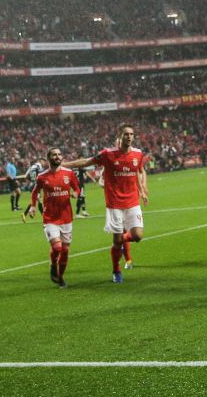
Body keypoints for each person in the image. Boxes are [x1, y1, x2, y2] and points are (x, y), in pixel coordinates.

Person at [62, 124, 148, 283]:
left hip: (132, 201)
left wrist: (143, 189)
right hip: (115, 203)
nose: (129, 137)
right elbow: (86, 162)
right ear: (120, 136)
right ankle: (116, 270)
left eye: (131, 134)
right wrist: (64, 165)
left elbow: (138, 171)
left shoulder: (138, 154)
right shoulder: (108, 154)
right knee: (116, 243)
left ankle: (121, 239)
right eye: (126, 134)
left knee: (137, 235)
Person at [27, 147, 80, 289]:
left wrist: (75, 193)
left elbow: (77, 188)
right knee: (57, 247)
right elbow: (35, 192)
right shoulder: (42, 176)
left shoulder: (69, 174)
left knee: (66, 250)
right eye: (54, 155)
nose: (57, 156)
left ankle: (61, 277)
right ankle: (53, 264)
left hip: (66, 217)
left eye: (59, 154)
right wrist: (32, 206)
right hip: (50, 218)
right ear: (49, 158)